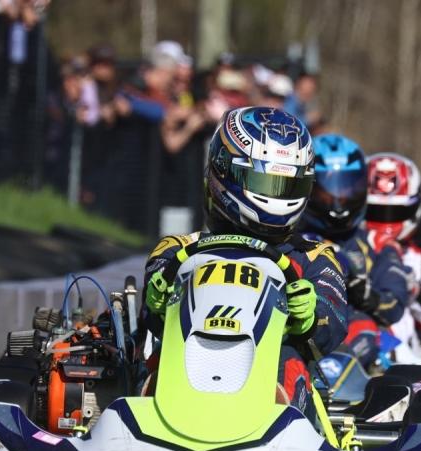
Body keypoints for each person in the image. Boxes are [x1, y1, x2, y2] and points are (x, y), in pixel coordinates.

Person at [143, 107, 349, 417]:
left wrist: (311, 317)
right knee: (157, 357)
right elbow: (150, 315)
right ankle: (151, 419)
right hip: (184, 369)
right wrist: (157, 303)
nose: (277, 196)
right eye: (266, 182)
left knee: (289, 359)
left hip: (272, 395)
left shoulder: (314, 258)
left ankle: (280, 425)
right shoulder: (177, 250)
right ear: (224, 172)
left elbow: (332, 325)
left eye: (286, 186)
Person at [300, 135, 410, 367]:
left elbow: (394, 306)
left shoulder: (378, 243)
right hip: (301, 329)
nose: (338, 201)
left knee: (364, 327)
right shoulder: (292, 238)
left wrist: (365, 293)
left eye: (347, 189)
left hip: (363, 347)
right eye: (327, 192)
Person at [364, 153, 421, 361]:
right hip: (350, 351)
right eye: (376, 212)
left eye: (395, 212)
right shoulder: (342, 249)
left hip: (408, 362)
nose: (385, 221)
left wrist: (412, 289)